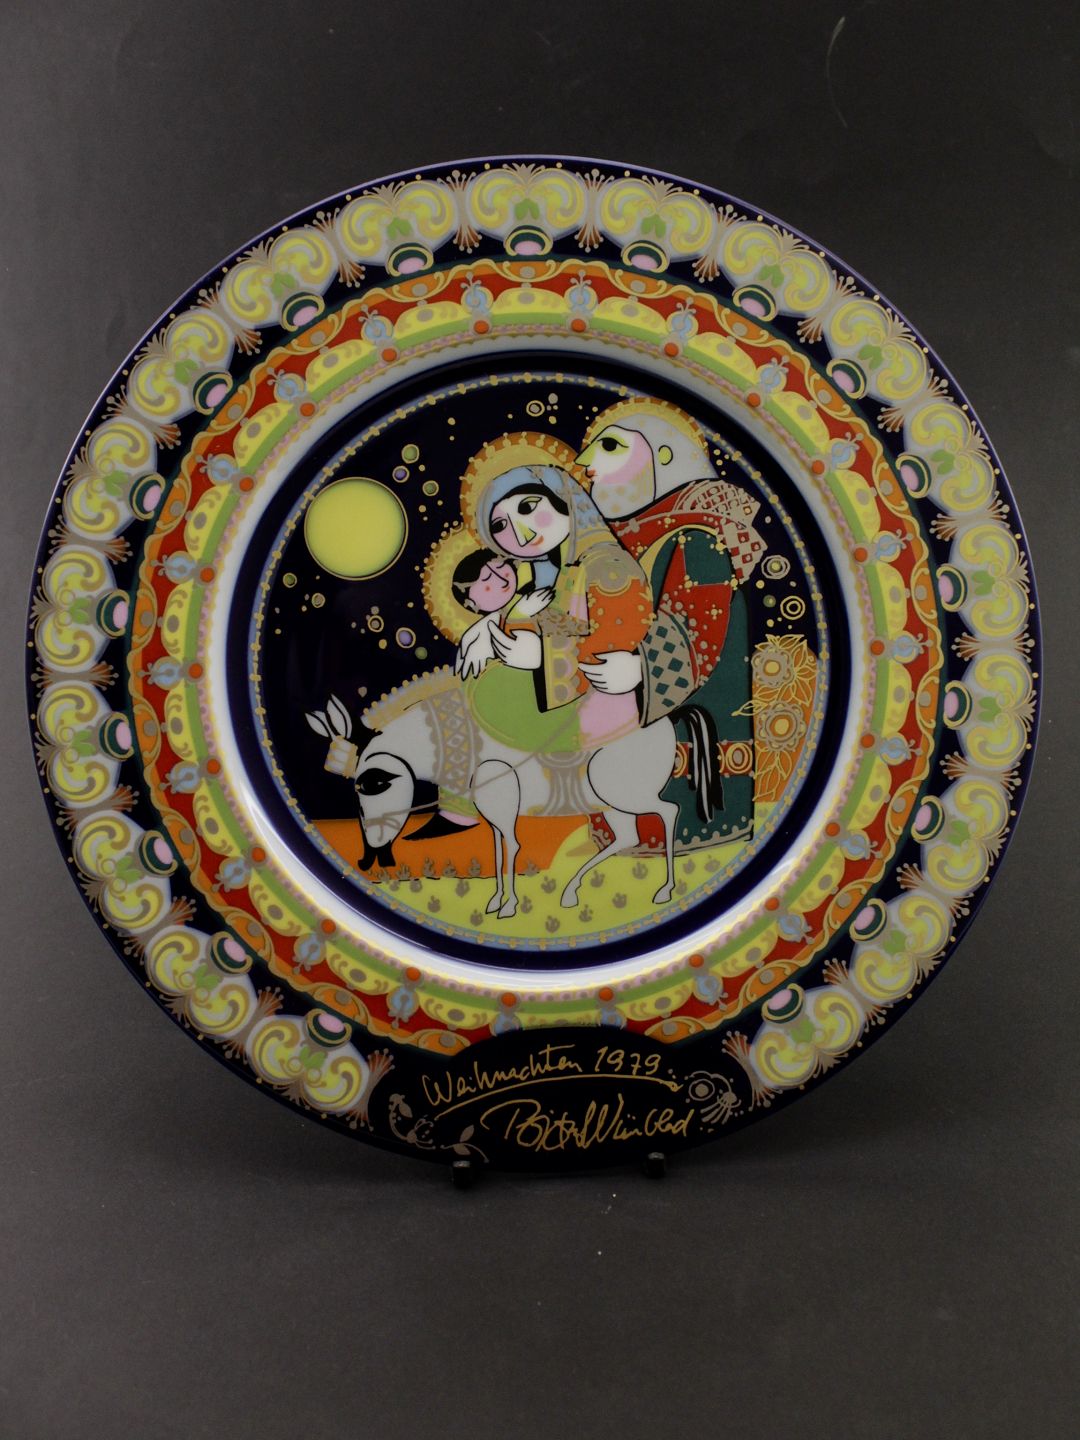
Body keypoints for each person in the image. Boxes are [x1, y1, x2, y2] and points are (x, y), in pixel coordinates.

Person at [573, 397, 766, 851]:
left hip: (689, 721)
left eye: (611, 447)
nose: (585, 463)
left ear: (662, 457)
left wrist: (641, 667)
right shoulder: (623, 542)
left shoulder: (696, 537)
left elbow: (699, 628)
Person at [457, 463, 653, 752]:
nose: (523, 534)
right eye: (500, 526)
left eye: (528, 507)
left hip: (605, 722)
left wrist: (541, 656)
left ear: (562, 498)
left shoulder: (606, 565)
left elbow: (618, 644)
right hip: (563, 720)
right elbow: (556, 621)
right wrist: (494, 622)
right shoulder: (554, 574)